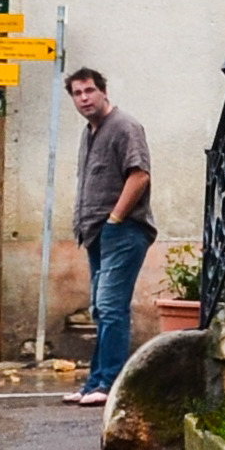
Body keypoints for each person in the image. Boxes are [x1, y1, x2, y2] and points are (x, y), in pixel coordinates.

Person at [70, 68, 154, 400]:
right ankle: (95, 382)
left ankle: (110, 383)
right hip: (96, 234)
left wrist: (116, 219)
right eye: (77, 94)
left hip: (124, 230)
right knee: (100, 308)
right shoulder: (89, 132)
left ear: (104, 92)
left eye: (89, 90)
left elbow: (139, 175)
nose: (84, 98)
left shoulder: (125, 127)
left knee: (111, 305)